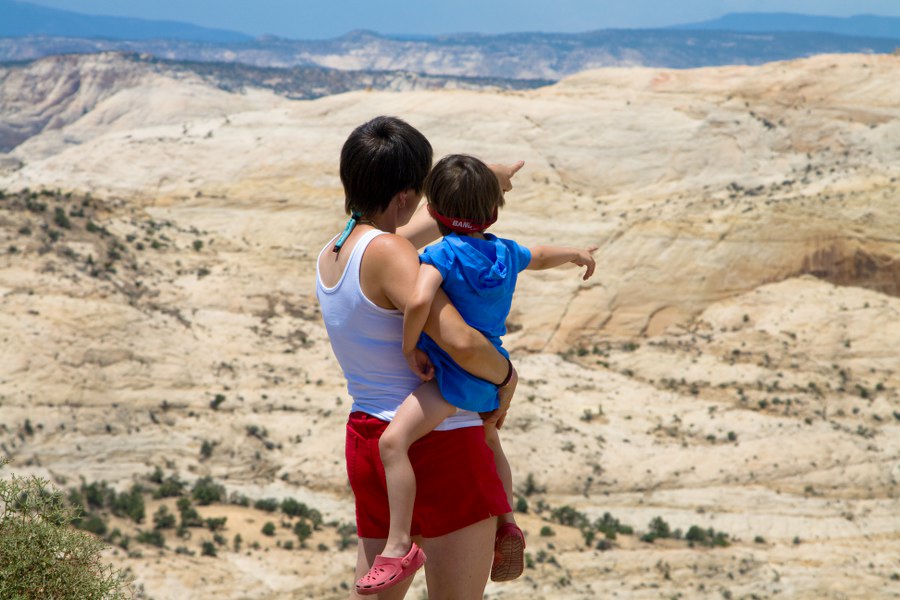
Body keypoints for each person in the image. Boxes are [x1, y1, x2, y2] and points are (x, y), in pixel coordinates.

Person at [361, 154, 597, 593]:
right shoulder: (506, 251)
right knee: (489, 438)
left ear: (431, 212)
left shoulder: (440, 255)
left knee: (393, 443)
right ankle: (506, 521)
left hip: (453, 377)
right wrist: (576, 253)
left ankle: (397, 546)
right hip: (490, 374)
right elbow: (541, 255)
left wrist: (410, 345)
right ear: (493, 213)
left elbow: (417, 302)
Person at [316, 116, 524, 600]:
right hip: (440, 446)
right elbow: (463, 342)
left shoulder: (335, 251)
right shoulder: (394, 254)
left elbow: (427, 225)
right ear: (408, 197)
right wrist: (507, 377)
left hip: (371, 440)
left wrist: (485, 179)